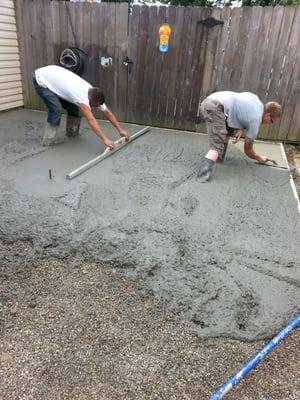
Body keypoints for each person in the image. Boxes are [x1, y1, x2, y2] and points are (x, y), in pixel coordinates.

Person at [33, 65, 129, 148]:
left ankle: (72, 133)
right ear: (90, 99)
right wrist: (105, 139)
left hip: (55, 77)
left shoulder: (94, 93)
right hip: (42, 79)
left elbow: (107, 112)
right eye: (95, 105)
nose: (96, 107)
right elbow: (91, 120)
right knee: (56, 109)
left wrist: (120, 130)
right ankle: (48, 140)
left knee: (74, 108)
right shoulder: (81, 97)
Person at [197, 91, 282, 181]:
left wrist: (239, 128)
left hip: (210, 101)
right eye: (272, 121)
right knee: (217, 144)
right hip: (215, 107)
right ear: (268, 115)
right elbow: (248, 149)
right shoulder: (256, 120)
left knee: (228, 131)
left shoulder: (256, 101)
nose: (269, 124)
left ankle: (218, 157)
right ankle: (202, 175)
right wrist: (259, 158)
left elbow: (238, 106)